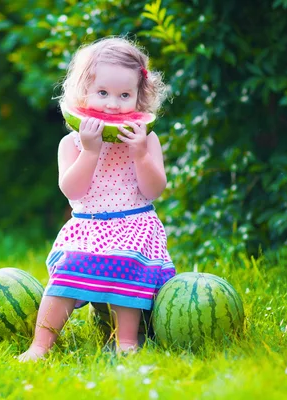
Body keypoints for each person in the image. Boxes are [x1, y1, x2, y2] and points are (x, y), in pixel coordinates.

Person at [18, 36, 175, 361]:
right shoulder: (72, 143)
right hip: (88, 229)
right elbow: (73, 191)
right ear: (84, 92)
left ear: (139, 97)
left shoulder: (147, 140)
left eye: (124, 95)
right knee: (63, 277)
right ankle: (40, 344)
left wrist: (141, 154)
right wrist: (90, 152)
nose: (113, 105)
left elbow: (153, 189)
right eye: (102, 93)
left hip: (136, 227)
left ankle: (127, 343)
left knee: (128, 268)